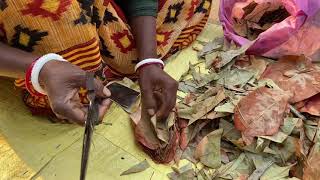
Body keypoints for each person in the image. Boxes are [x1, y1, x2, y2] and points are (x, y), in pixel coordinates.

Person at [0, 0, 213, 124]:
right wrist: (41, 69)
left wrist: (148, 59)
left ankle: (114, 58)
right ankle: (64, 76)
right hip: (29, 41)